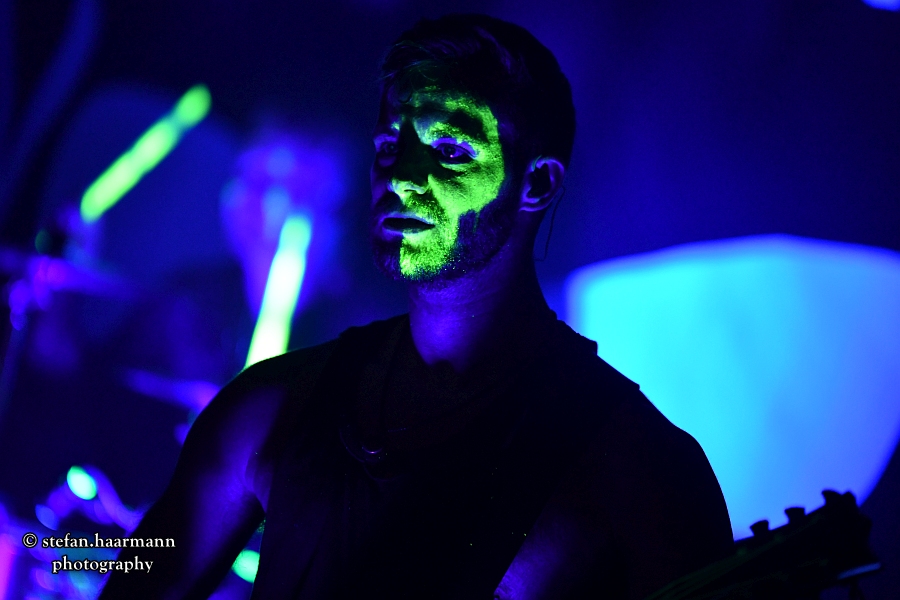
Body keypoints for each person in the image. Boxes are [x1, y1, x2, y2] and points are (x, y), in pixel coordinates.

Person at [101, 14, 732, 599]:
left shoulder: (636, 467)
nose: (401, 174)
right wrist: (66, 550)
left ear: (537, 183)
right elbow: (142, 568)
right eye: (389, 146)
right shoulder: (272, 406)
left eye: (450, 151)